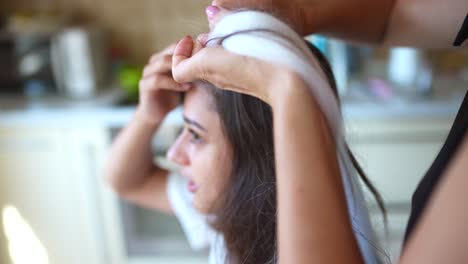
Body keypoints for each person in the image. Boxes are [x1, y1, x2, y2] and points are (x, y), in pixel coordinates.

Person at [169, 1, 468, 263]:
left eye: (195, 134)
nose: (173, 154)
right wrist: (294, 10)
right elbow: (396, 14)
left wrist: (288, 91)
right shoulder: (225, 223)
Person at [103, 10, 387, 264]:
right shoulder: (228, 209)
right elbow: (125, 181)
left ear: (259, 151)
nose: (174, 155)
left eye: (196, 135)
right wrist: (147, 115)